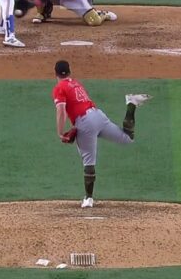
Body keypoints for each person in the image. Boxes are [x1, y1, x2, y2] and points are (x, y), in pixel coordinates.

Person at [51, 59, 152, 208]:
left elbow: (61, 111)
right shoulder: (76, 83)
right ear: (70, 71)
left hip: (85, 122)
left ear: (55, 73)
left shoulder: (59, 87)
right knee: (127, 138)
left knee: (88, 161)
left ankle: (88, 199)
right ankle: (131, 104)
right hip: (98, 116)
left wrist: (60, 132)